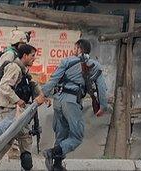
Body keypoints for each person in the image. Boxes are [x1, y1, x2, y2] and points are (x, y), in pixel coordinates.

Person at [40, 39, 108, 171]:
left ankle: (57, 165)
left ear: (79, 49)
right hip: (71, 101)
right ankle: (52, 153)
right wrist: (103, 106)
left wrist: (43, 94)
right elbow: (101, 88)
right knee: (77, 136)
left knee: (61, 133)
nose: (73, 50)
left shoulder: (66, 61)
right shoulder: (95, 65)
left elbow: (54, 79)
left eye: (74, 48)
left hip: (58, 100)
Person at [0, 44, 48, 170]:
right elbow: (4, 86)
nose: (34, 59)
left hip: (19, 112)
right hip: (8, 111)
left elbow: (32, 83)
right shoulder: (14, 68)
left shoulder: (23, 70)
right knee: (4, 142)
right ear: (25, 55)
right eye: (32, 56)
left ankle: (26, 166)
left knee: (26, 141)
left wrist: (43, 96)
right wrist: (17, 100)